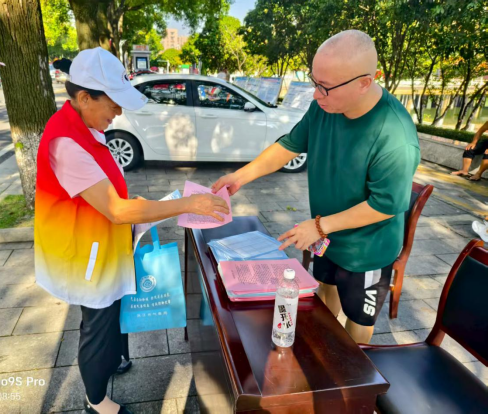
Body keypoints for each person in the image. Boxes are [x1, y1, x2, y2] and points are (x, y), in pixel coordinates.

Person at [35, 48, 229, 415]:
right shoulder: (66, 142)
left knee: (110, 315)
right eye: (113, 104)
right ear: (83, 97)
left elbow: (108, 195)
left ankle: (115, 359)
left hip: (102, 239)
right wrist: (187, 204)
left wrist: (144, 205)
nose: (118, 113)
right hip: (85, 252)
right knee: (97, 324)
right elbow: (116, 209)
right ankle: (96, 401)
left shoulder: (86, 127)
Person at [212, 30, 420, 345]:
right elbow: (290, 145)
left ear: (365, 82)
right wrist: (241, 176)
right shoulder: (325, 106)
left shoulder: (395, 136)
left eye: (325, 87)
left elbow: (385, 205)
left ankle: (353, 365)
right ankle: (324, 350)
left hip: (367, 248)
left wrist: (320, 226)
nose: (315, 94)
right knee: (325, 290)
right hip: (326, 234)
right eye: (314, 82)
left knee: (358, 318)